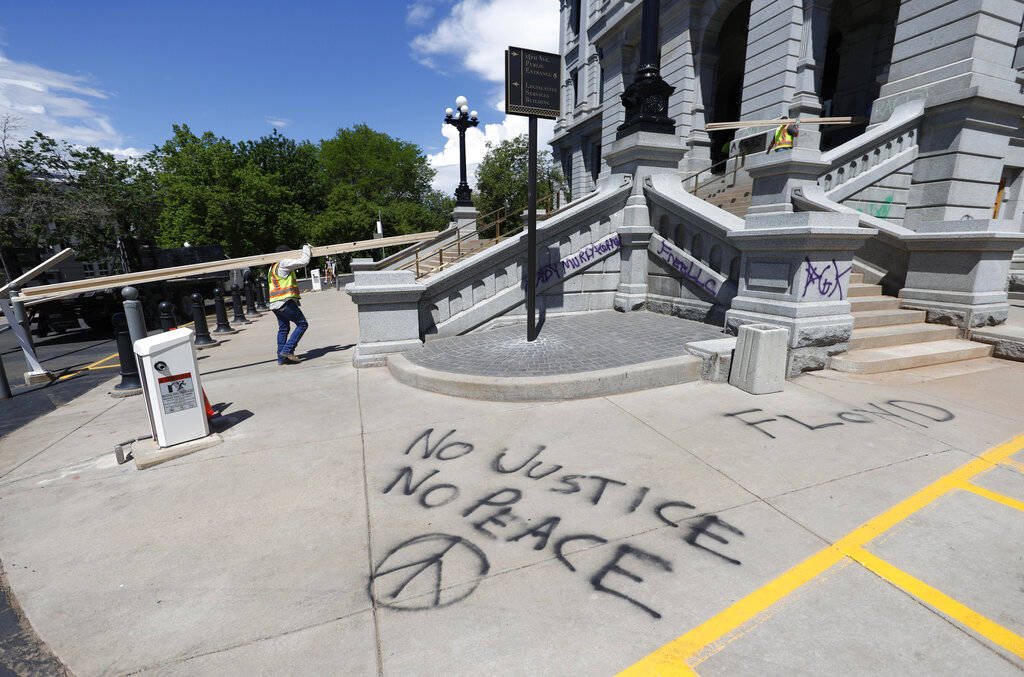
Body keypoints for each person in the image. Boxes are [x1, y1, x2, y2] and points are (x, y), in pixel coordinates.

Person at [268, 243, 311, 364]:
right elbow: (304, 261)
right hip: (284, 302)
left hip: (275, 304)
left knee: (283, 328)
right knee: (302, 324)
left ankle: (281, 358)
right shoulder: (283, 263)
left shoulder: (272, 267)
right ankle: (287, 350)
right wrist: (306, 247)